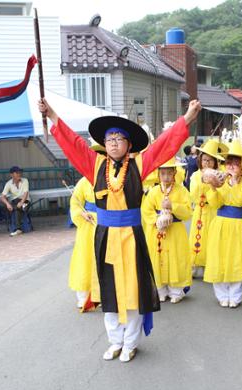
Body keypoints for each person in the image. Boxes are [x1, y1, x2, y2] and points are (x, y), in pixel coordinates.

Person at [39, 96, 201, 362]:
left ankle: (130, 342)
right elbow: (72, 143)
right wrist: (52, 115)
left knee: (134, 290)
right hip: (105, 237)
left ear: (128, 144)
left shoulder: (139, 165)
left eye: (119, 139)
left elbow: (163, 145)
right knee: (109, 291)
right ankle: (115, 340)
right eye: (109, 139)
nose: (114, 143)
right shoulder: (94, 165)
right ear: (105, 144)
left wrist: (188, 118)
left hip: (132, 237)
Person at [202, 140, 242, 308]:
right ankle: (222, 295)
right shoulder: (220, 179)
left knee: (237, 258)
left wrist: (235, 184)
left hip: (238, 224)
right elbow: (215, 204)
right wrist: (214, 187)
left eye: (236, 163)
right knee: (220, 258)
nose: (231, 166)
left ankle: (236, 296)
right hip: (221, 223)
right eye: (229, 162)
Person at [142, 159, 192, 304]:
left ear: (175, 173)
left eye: (169, 173)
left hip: (175, 230)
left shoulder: (182, 191)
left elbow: (188, 211)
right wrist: (158, 219)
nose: (166, 177)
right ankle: (160, 290)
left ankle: (176, 290)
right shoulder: (153, 192)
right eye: (163, 173)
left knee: (176, 258)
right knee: (157, 258)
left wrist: (173, 207)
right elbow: (146, 209)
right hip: (157, 230)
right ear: (158, 174)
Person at [68, 141, 105, 309]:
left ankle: (105, 293)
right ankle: (84, 294)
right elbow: (75, 203)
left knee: (105, 258)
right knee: (85, 258)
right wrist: (81, 213)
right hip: (88, 226)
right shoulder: (83, 182)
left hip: (106, 224)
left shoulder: (113, 180)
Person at [188, 138, 227, 278]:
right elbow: (193, 195)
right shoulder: (196, 176)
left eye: (210, 160)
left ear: (216, 162)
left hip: (214, 211)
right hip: (199, 210)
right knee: (197, 238)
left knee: (212, 239)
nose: (207, 163)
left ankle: (210, 267)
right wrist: (203, 180)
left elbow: (220, 197)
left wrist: (212, 185)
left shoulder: (220, 176)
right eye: (204, 160)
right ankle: (194, 267)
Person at [0, 166, 30, 236]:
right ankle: (18, 229)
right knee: (12, 207)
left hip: (25, 201)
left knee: (17, 208)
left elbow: (26, 193)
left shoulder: (25, 180)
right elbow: (2, 197)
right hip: (15, 202)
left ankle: (17, 229)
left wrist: (22, 202)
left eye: (20, 172)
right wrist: (7, 204)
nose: (19, 174)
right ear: (12, 175)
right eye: (17, 173)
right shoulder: (8, 183)